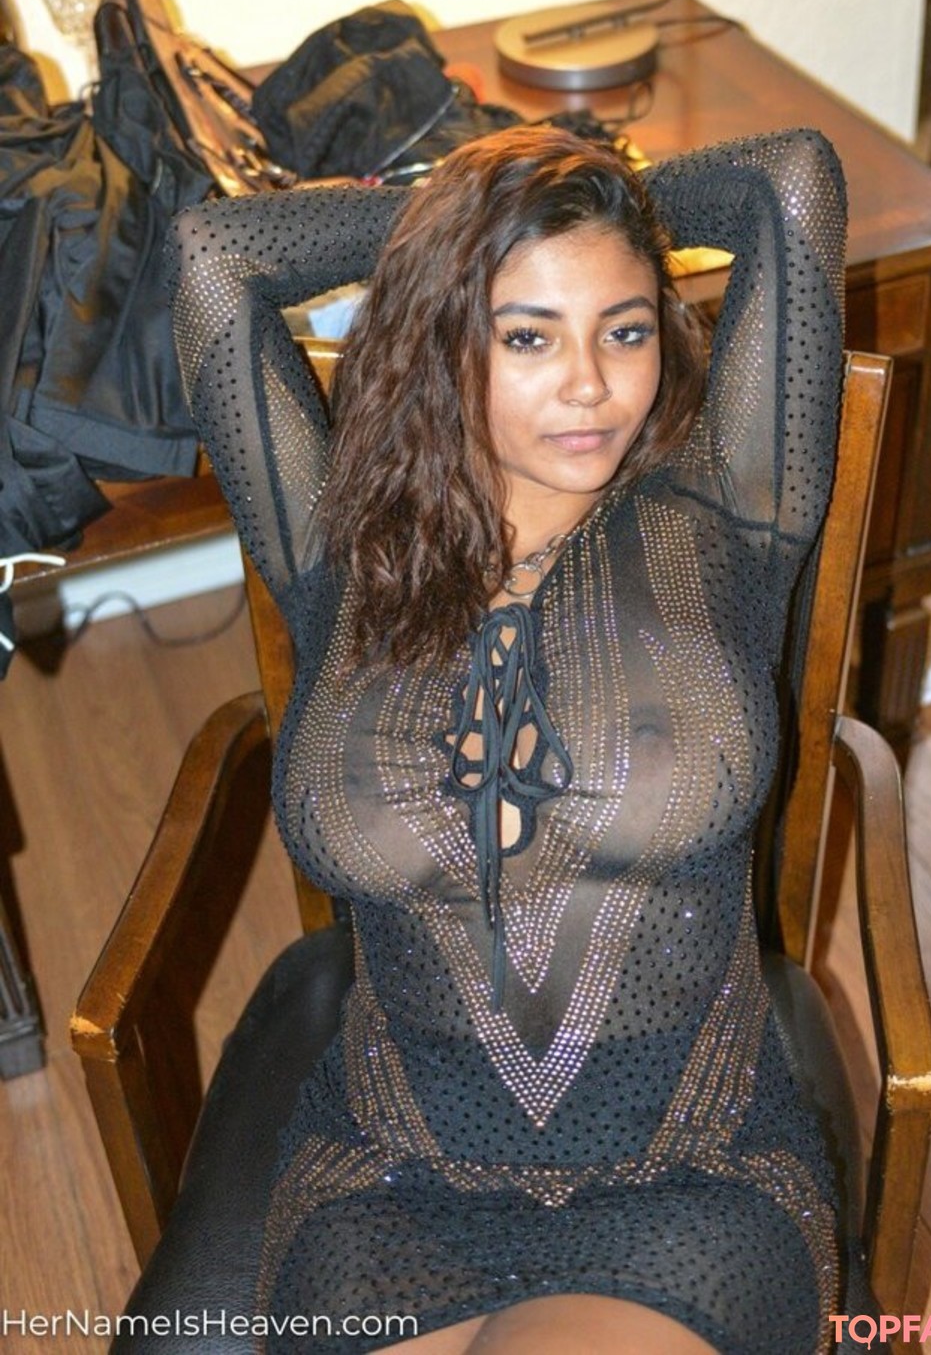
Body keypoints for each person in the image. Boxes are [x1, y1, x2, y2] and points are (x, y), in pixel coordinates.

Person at [168, 123, 867, 1355]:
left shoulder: (730, 508)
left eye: (626, 330)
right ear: (440, 334)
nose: (591, 384)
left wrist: (583, 194)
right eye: (527, 334)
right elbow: (213, 254)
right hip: (385, 1181)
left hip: (689, 1176)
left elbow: (788, 180)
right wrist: (466, 216)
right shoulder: (339, 547)